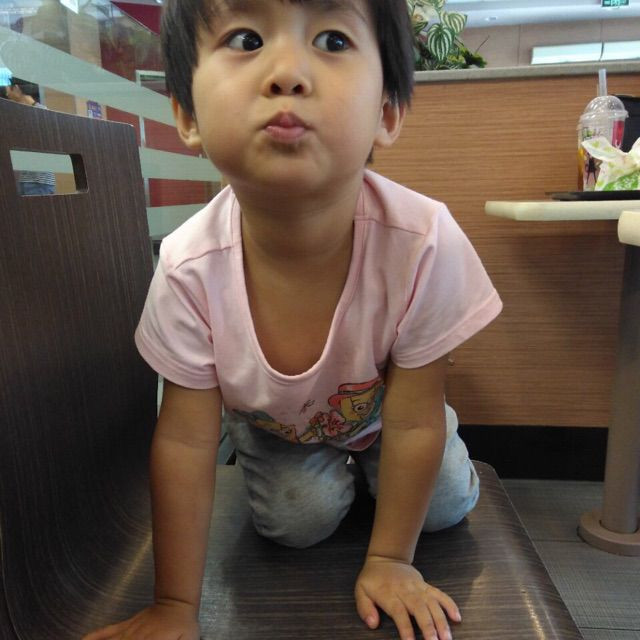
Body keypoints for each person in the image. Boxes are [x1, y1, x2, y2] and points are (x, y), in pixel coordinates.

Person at [84, 1, 502, 639]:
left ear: (387, 112)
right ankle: (349, 481)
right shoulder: (187, 268)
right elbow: (186, 441)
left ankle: (391, 481)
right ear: (187, 115)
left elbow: (413, 417)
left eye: (332, 40)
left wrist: (391, 560)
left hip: (391, 416)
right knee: (295, 522)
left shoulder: (424, 243)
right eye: (246, 39)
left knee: (444, 503)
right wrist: (174, 605)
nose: (287, 73)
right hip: (276, 428)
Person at [1, 77, 56, 196]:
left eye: (8, 89)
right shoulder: (20, 114)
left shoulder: (42, 112)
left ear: (16, 88)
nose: (7, 93)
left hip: (40, 182)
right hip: (25, 179)